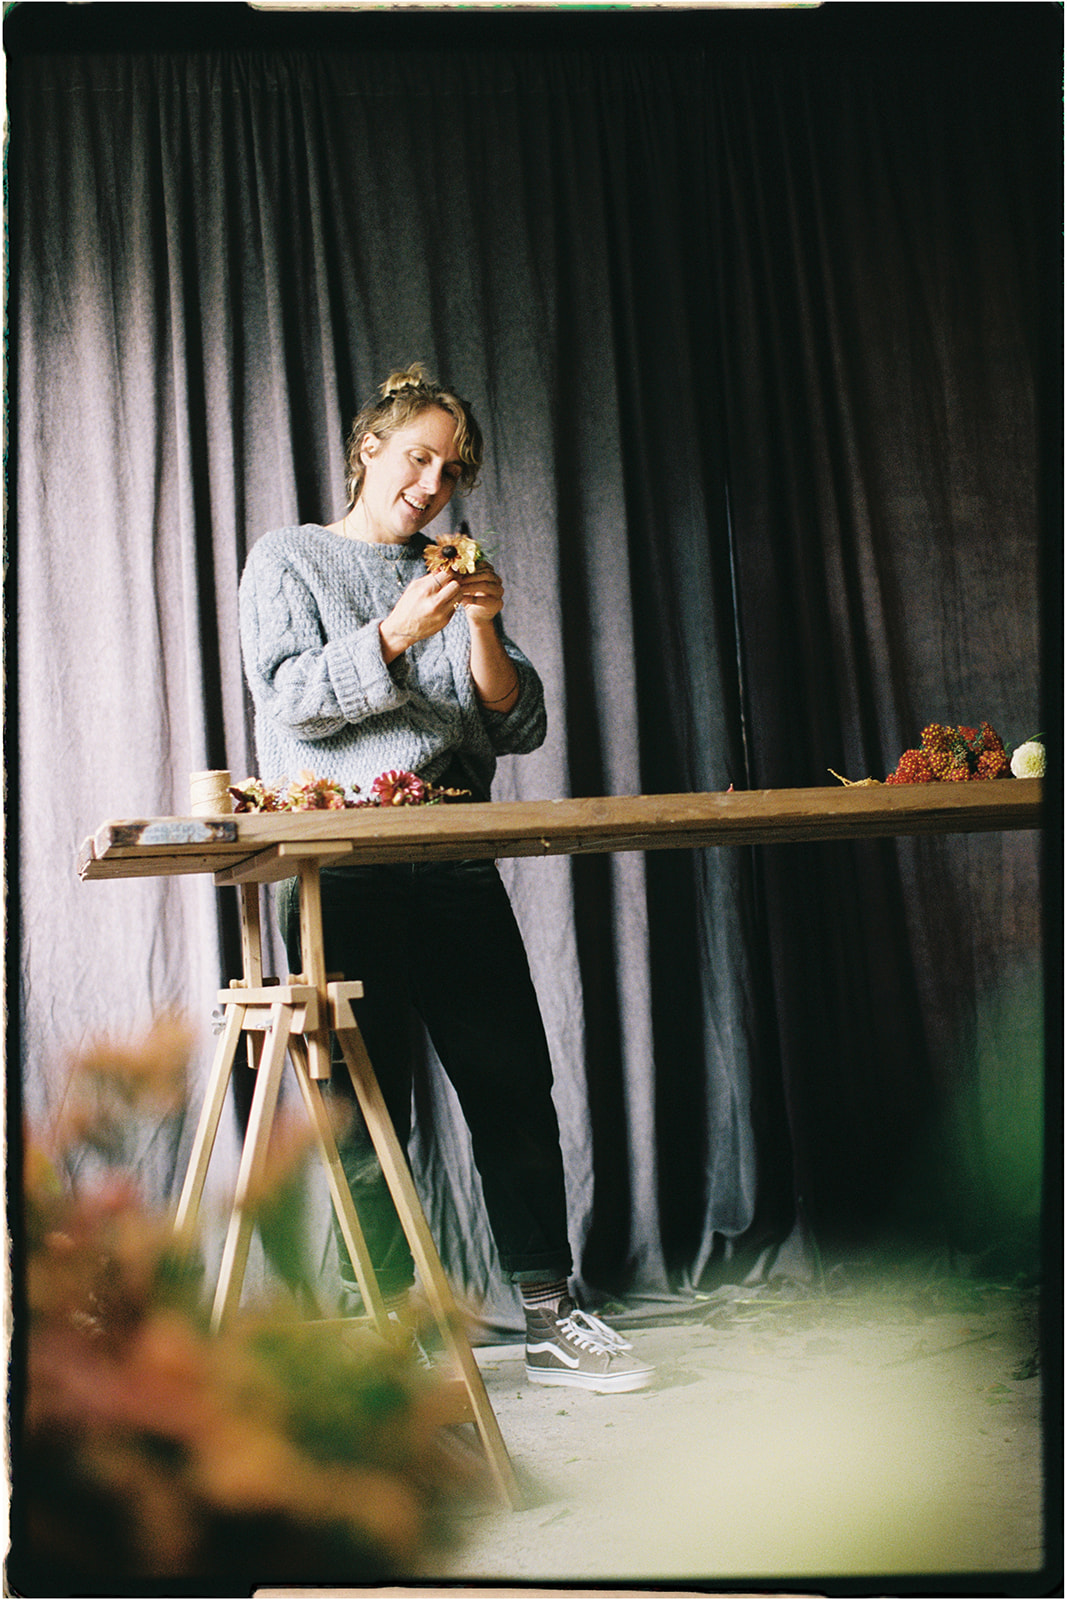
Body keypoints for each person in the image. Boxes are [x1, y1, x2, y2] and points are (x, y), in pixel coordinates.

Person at [238, 363, 652, 1392]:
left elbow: (516, 723)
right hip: (340, 867)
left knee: (512, 1088)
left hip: (455, 854)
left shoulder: (447, 560)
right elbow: (289, 700)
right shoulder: (287, 559)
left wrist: (475, 623)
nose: (433, 482)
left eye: (451, 468)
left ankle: (552, 1318)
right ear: (369, 449)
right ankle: (394, 1333)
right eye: (417, 456)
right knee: (364, 1112)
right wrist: (394, 634)